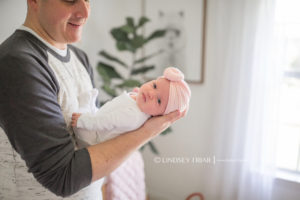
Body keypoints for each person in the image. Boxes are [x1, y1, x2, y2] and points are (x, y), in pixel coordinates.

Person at [0, 0, 185, 199]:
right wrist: (148, 131)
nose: (85, 12)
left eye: (88, 0)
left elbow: (96, 138)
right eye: (71, 0)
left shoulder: (79, 58)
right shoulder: (18, 63)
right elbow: (62, 177)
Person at [71, 67, 191, 146]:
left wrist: (84, 121)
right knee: (95, 111)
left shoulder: (134, 116)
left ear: (158, 115)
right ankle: (89, 107)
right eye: (154, 86)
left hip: (93, 138)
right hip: (99, 118)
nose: (151, 93)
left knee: (82, 115)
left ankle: (85, 106)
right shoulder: (140, 99)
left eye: (159, 101)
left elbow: (106, 121)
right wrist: (137, 93)